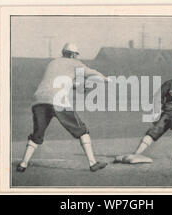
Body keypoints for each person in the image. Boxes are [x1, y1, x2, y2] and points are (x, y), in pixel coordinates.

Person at [16, 43, 109, 172]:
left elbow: (58, 81)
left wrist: (77, 86)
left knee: (37, 135)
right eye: (76, 55)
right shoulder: (73, 63)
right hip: (58, 101)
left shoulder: (53, 63)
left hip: (38, 101)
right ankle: (93, 163)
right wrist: (106, 79)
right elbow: (91, 73)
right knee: (82, 130)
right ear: (72, 54)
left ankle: (23, 164)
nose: (76, 57)